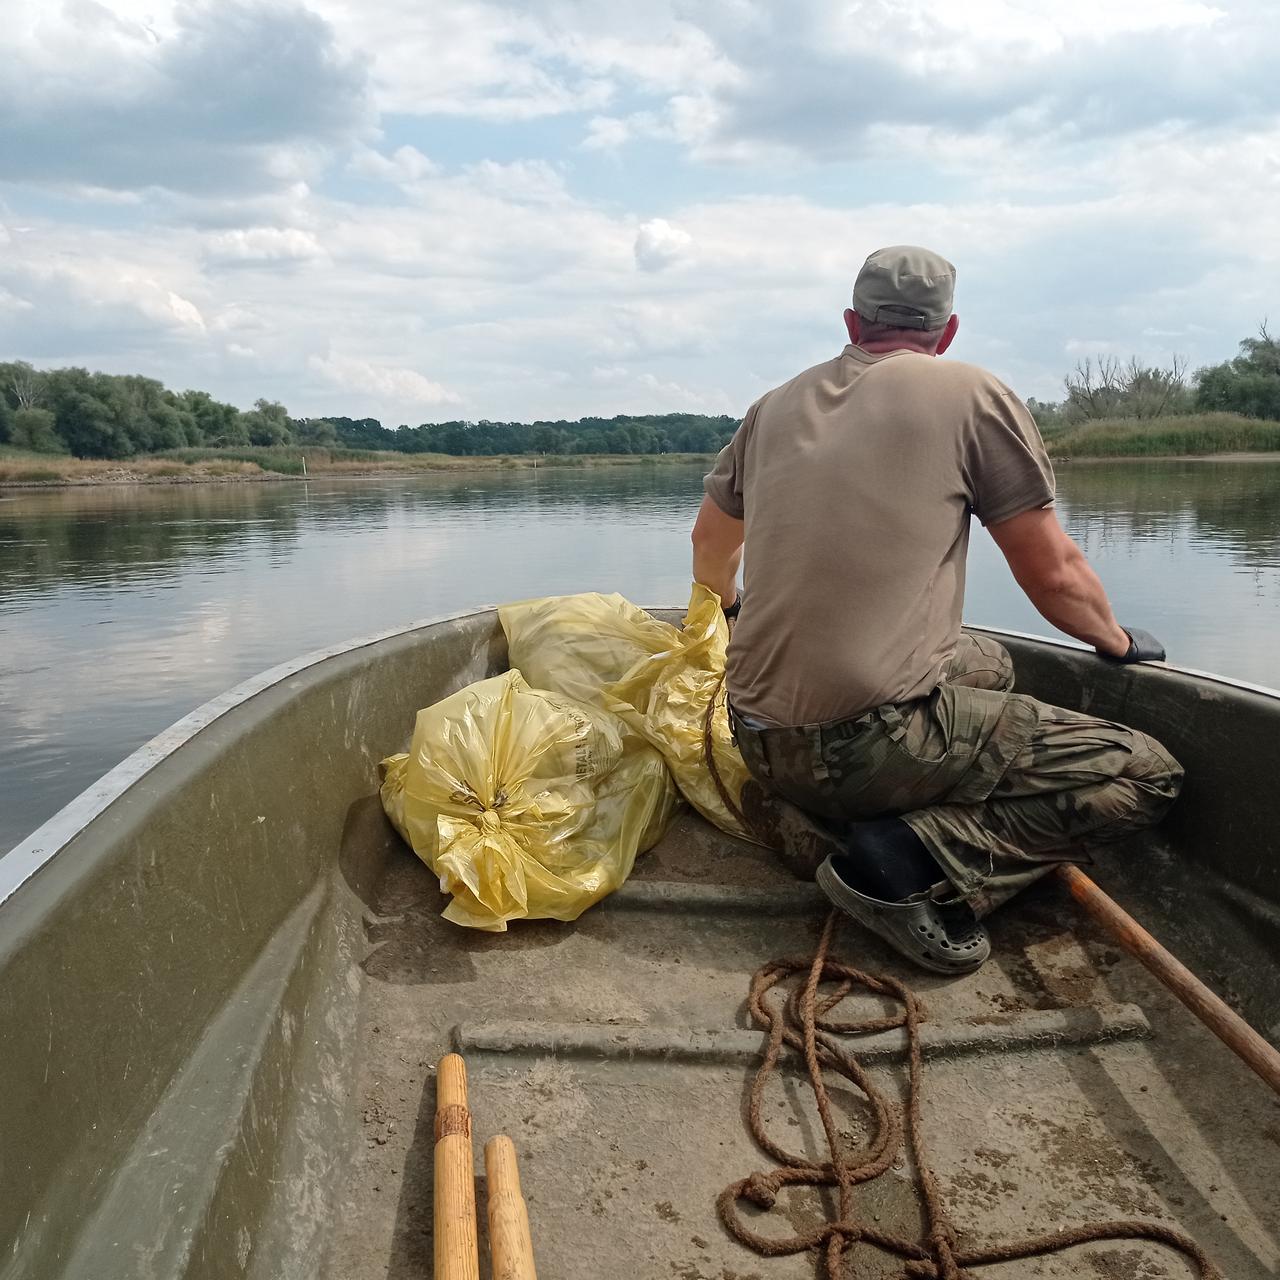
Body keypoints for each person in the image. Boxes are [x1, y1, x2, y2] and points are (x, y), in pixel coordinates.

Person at [691, 245, 1183, 976]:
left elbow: (708, 543)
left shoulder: (774, 406)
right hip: (857, 747)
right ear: (946, 332)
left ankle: (834, 815)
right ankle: (910, 858)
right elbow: (1054, 576)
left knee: (992, 662)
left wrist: (731, 611)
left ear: (853, 322)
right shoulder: (970, 391)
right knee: (1148, 774)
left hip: (753, 729)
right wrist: (1113, 639)